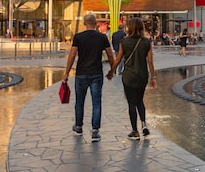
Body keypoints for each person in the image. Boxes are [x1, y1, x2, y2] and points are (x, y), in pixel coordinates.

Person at [64, 13, 116, 142]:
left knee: (79, 101)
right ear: (96, 23)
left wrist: (66, 73)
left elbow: (72, 55)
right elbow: (110, 55)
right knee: (96, 102)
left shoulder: (78, 37)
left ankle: (78, 126)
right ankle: (95, 131)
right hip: (96, 73)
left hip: (81, 73)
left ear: (84, 23)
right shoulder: (102, 37)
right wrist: (112, 70)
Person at [112, 17, 157, 140]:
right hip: (142, 75)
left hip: (129, 76)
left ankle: (135, 131)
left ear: (129, 28)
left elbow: (118, 59)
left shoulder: (124, 42)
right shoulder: (146, 42)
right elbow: (150, 61)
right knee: (140, 100)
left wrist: (111, 71)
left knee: (132, 103)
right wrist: (153, 77)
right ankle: (143, 124)